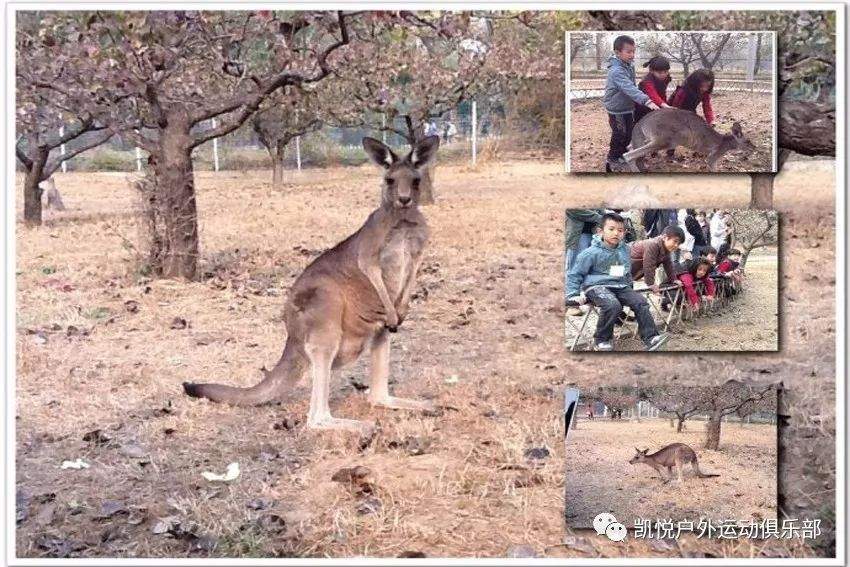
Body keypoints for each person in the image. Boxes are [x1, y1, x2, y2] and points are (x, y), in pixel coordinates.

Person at [566, 212, 670, 352]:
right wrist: (572, 294)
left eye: (620, 230)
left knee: (640, 302)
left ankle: (651, 338)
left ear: (624, 232)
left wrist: (630, 289)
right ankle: (601, 341)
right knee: (612, 305)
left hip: (620, 285)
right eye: (611, 229)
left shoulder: (624, 250)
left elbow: (625, 271)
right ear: (600, 231)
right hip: (596, 286)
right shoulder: (589, 253)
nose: (616, 233)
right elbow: (575, 274)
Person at [603, 35, 660, 172]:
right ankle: (613, 158)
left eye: (633, 51)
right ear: (617, 52)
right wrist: (646, 100)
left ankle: (623, 156)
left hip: (627, 107)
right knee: (619, 134)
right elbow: (629, 88)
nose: (632, 55)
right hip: (617, 109)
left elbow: (631, 86)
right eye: (628, 52)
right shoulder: (616, 71)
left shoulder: (629, 65)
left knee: (629, 133)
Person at [565, 209, 604, 315]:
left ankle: (588, 299)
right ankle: (571, 303)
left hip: (593, 234)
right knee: (574, 268)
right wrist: (598, 217)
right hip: (578, 235)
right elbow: (572, 210)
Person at [629, 224, 686, 294]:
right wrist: (651, 283)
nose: (676, 245)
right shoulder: (653, 244)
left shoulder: (665, 249)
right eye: (675, 241)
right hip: (623, 266)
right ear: (665, 237)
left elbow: (668, 265)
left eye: (679, 243)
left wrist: (673, 279)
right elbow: (649, 265)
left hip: (630, 271)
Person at [634, 55, 672, 123]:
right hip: (644, 107)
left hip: (657, 105)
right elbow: (653, 95)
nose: (663, 75)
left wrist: (665, 104)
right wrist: (665, 105)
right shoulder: (647, 81)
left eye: (666, 72)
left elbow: (662, 93)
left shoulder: (666, 78)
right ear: (651, 71)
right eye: (660, 73)